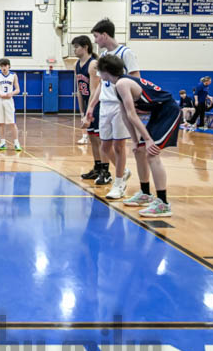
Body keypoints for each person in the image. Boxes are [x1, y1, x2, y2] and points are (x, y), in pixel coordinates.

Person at [97, 54, 181, 218]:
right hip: (158, 113)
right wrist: (135, 141)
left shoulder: (122, 83)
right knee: (140, 151)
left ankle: (163, 204)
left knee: (152, 153)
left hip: (168, 112)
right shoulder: (118, 85)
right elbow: (125, 115)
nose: (98, 74)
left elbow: (132, 114)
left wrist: (148, 140)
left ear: (105, 71)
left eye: (99, 70)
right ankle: (145, 194)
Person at [83, 18, 138, 199]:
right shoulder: (104, 56)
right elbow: (100, 84)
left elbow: (136, 80)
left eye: (96, 36)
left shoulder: (126, 53)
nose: (95, 40)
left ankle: (119, 183)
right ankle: (124, 171)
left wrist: (130, 105)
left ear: (105, 35)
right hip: (104, 105)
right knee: (105, 147)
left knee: (119, 146)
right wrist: (91, 106)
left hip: (119, 105)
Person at [72, 36, 106, 180]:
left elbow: (94, 90)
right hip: (88, 105)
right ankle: (97, 167)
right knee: (92, 137)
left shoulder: (93, 64)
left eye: (76, 47)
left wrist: (89, 111)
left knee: (99, 139)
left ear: (85, 47)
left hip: (97, 105)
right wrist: (82, 112)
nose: (74, 50)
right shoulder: (76, 65)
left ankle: (105, 170)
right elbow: (79, 90)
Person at [0, 57, 21, 151]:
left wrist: (12, 93)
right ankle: (2, 143)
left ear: (9, 66)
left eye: (5, 66)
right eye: (1, 66)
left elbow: (18, 89)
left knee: (12, 122)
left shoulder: (13, 75)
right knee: (1, 122)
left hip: (9, 100)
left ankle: (16, 143)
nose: (3, 68)